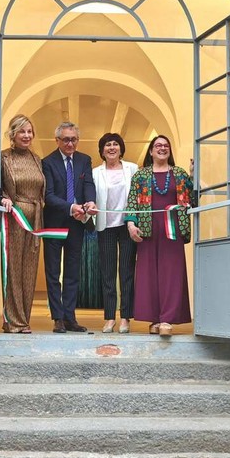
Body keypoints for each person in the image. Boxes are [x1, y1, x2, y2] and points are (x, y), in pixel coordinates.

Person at [125, 134, 193, 336]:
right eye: (158, 145)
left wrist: (193, 176)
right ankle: (154, 318)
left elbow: (192, 198)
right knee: (149, 275)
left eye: (166, 146)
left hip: (172, 231)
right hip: (147, 229)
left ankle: (167, 319)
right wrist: (131, 224)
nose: (162, 148)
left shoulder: (179, 173)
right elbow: (132, 200)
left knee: (171, 274)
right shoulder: (140, 175)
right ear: (151, 151)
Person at [42, 121, 97, 333]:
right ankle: (57, 317)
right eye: (66, 140)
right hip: (54, 223)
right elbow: (48, 196)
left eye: (74, 139)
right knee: (53, 272)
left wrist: (90, 202)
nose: (70, 144)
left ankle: (69, 317)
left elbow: (88, 184)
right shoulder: (47, 162)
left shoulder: (84, 160)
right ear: (57, 140)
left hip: (77, 224)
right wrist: (71, 207)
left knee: (73, 272)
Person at [0, 114, 45, 333]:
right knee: (14, 268)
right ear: (13, 134)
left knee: (29, 270)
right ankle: (13, 321)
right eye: (22, 131)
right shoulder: (4, 157)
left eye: (29, 132)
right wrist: (3, 197)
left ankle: (24, 319)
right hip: (15, 218)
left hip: (35, 220)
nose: (26, 136)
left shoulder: (37, 159)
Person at [92, 133, 138, 334]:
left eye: (115, 144)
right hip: (106, 227)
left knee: (127, 273)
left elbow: (138, 196)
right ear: (102, 151)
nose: (112, 148)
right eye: (107, 145)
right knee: (108, 273)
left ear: (121, 148)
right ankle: (110, 317)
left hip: (128, 226)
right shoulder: (95, 173)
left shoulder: (132, 169)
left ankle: (126, 317)